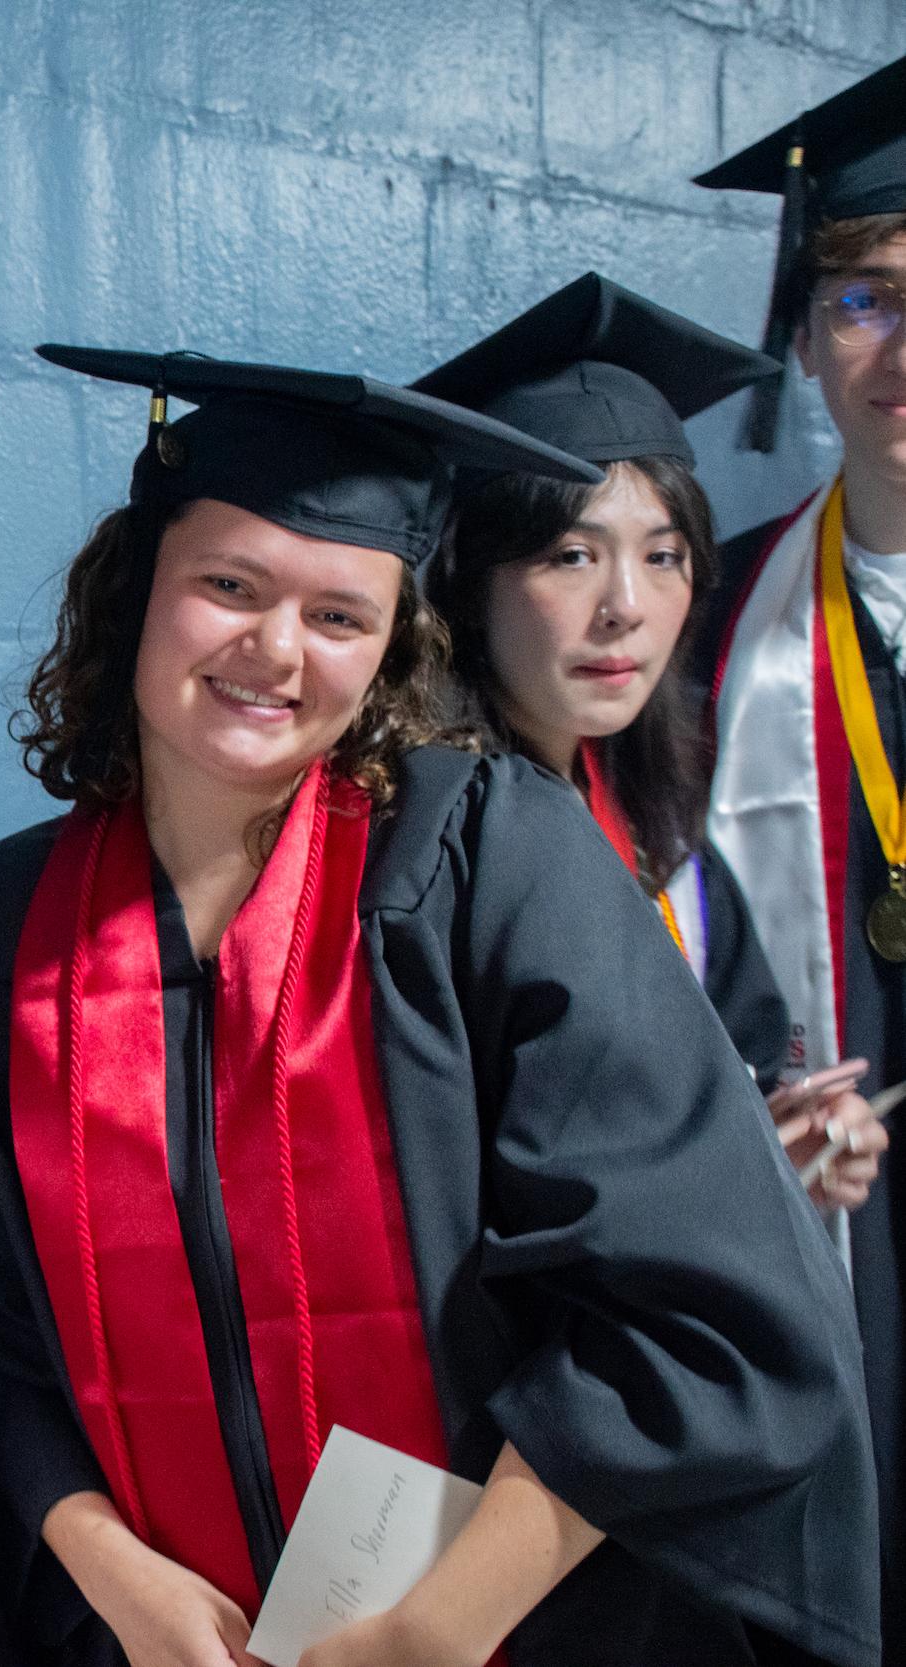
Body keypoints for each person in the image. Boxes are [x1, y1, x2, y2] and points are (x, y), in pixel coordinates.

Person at [0, 347, 878, 1667]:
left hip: (516, 1636)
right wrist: (119, 1577)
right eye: (229, 587)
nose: (275, 650)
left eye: (338, 614)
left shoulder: (484, 865)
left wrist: (436, 1624)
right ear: (139, 586)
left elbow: (695, 1307)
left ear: (390, 648)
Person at [419, 272, 887, 1208]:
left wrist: (795, 1126)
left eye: (663, 556)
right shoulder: (423, 859)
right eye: (572, 556)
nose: (626, 609)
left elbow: (746, 1048)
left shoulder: (656, 823)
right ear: (475, 582)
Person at [700, 53, 906, 1653]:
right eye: (865, 299)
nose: (900, 348)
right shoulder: (718, 626)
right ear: (805, 331)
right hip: (855, 1222)